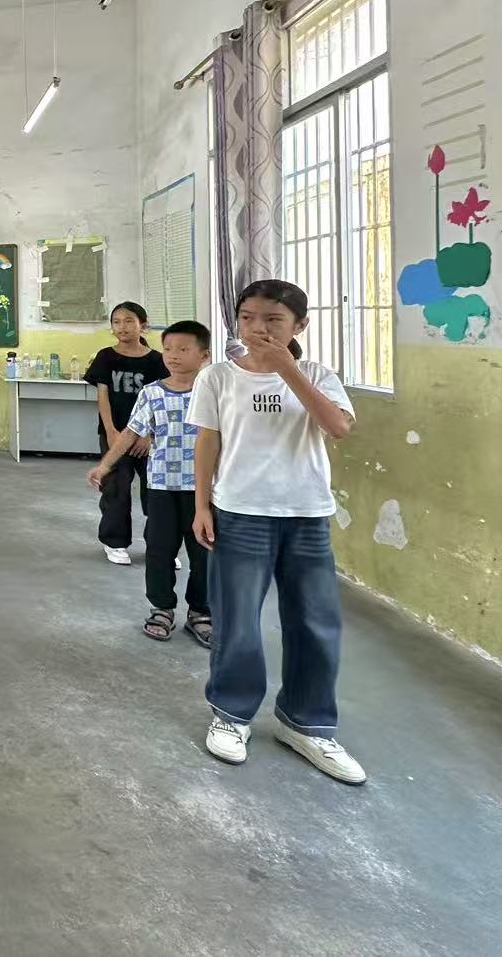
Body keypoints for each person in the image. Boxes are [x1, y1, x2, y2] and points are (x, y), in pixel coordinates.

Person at [190, 280, 364, 785]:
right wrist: (201, 505)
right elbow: (208, 442)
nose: (257, 328)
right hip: (239, 511)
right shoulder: (218, 377)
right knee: (237, 618)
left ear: (299, 326)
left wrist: (288, 369)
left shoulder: (319, 375)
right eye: (247, 317)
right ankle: (231, 713)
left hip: (306, 513)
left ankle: (306, 723)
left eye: (273, 320)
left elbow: (338, 427)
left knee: (315, 621)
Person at [88, 320, 212, 643]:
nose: (173, 355)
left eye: (183, 349)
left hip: (204, 489)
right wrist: (105, 465)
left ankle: (201, 612)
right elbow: (131, 432)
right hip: (161, 486)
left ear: (204, 355)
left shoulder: (214, 392)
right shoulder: (152, 393)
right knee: (159, 549)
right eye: (168, 348)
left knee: (205, 553)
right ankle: (162, 608)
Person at [83, 301, 169, 565]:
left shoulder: (157, 360)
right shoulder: (105, 357)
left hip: (148, 438)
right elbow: (103, 396)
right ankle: (114, 542)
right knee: (116, 487)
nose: (122, 327)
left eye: (129, 321)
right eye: (117, 322)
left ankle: (161, 544)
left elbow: (161, 400)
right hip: (116, 433)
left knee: (156, 490)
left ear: (143, 325)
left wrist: (148, 435)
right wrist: (111, 431)